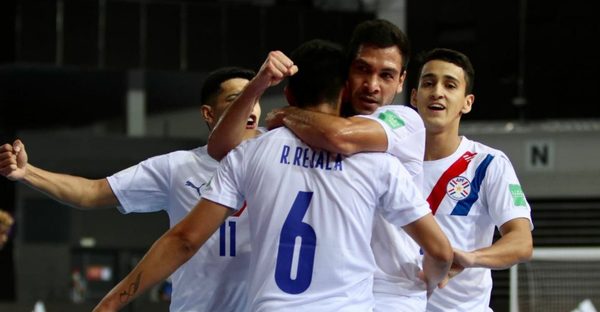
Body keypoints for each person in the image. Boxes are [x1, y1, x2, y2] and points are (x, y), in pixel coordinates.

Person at [92, 39, 453, 312]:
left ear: (290, 92)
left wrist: (111, 303)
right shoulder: (378, 162)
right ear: (345, 90)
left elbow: (184, 240)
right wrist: (431, 281)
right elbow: (439, 251)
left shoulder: (250, 154)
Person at [0, 66, 262, 312]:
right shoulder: (178, 167)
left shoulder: (279, 158)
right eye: (237, 99)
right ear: (208, 113)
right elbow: (92, 192)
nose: (249, 107)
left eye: (256, 98)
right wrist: (27, 173)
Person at [264, 19, 430, 311]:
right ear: (346, 71)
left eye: (387, 75)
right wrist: (258, 87)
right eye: (363, 69)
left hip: (393, 293)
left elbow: (340, 137)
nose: (372, 85)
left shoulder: (406, 121)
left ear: (402, 81)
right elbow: (224, 150)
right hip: (333, 291)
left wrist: (288, 113)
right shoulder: (308, 129)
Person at [409, 48, 533, 311]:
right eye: (428, 83)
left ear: (468, 102)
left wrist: (471, 258)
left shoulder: (488, 164)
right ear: (414, 96)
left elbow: (522, 242)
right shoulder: (390, 161)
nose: (437, 91)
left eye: (450, 85)